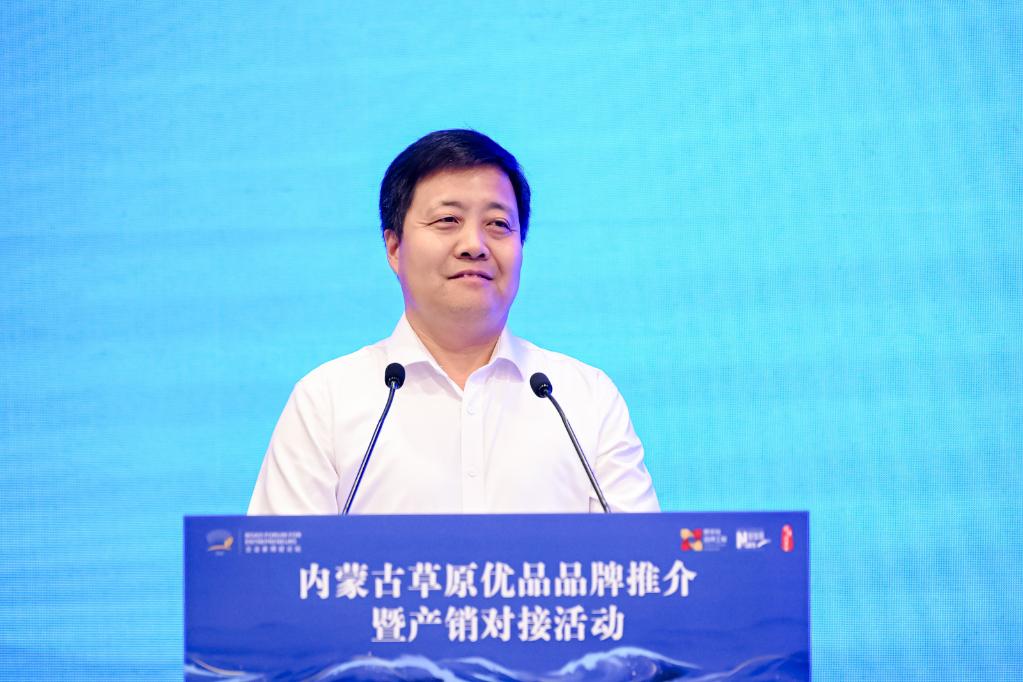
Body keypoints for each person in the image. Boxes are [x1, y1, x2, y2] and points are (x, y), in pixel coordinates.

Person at [248, 129, 658, 515]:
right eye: (447, 220)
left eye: (498, 224)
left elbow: (644, 559)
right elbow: (279, 563)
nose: (474, 246)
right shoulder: (327, 403)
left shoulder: (582, 399)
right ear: (394, 248)